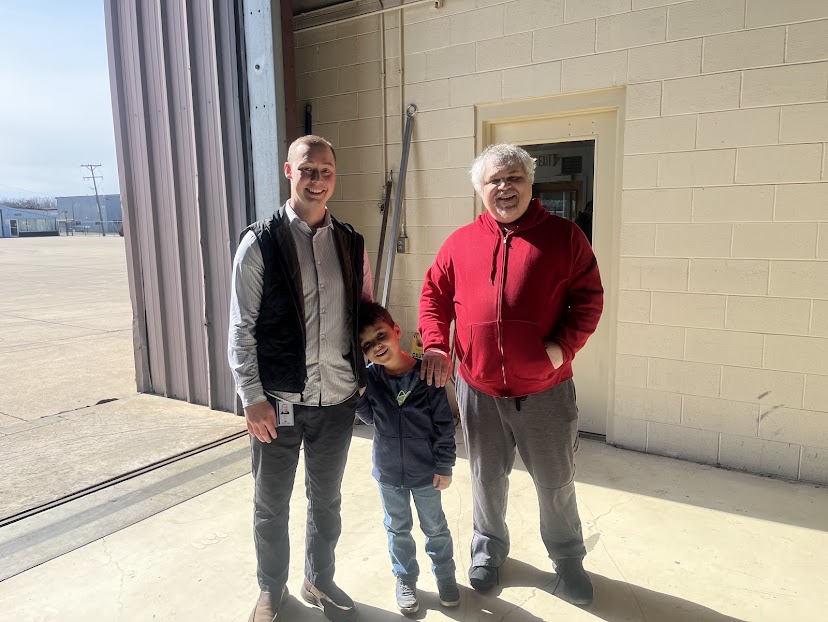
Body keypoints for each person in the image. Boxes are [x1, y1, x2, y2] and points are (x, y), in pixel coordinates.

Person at [418, 143, 603, 606]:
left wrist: (561, 350)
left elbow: (589, 299)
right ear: (480, 189)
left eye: (514, 178)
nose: (505, 187)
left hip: (545, 390)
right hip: (479, 389)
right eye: (494, 180)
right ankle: (487, 551)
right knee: (486, 479)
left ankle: (568, 558)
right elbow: (434, 296)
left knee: (555, 482)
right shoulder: (460, 243)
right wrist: (437, 344)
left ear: (529, 182)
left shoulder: (564, 237)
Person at [228, 134, 372, 622]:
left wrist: (369, 373)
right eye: (307, 170)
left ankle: (319, 578)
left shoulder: (351, 243)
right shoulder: (260, 243)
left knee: (326, 501)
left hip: (338, 400)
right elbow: (241, 328)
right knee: (271, 505)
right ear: (289, 172)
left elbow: (364, 313)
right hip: (278, 403)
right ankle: (272, 589)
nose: (317, 180)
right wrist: (252, 397)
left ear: (334, 176)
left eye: (326, 171)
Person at [355, 301, 460, 614]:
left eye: (381, 335)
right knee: (397, 529)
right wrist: (358, 397)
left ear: (396, 330)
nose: (377, 346)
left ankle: (445, 576)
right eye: (367, 345)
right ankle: (405, 578)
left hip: (426, 472)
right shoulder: (371, 378)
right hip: (388, 474)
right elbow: (372, 419)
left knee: (435, 528)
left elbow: (444, 426)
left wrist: (444, 465)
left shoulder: (427, 375)